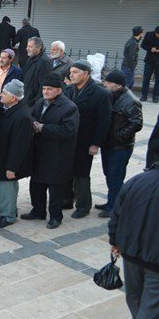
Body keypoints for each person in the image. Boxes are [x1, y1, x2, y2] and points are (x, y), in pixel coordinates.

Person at [109, 151, 159, 319]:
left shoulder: (137, 180)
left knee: (137, 301)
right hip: (157, 261)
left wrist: (115, 242)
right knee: (151, 311)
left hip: (131, 254)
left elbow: (117, 215)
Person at [25, 73, 79, 229]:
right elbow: (32, 115)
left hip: (57, 154)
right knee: (36, 184)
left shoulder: (69, 108)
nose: (45, 92)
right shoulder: (41, 102)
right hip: (39, 151)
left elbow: (69, 130)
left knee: (55, 188)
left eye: (49, 89)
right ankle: (38, 210)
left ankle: (55, 216)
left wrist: (44, 128)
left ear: (58, 90)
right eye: (44, 88)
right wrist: (34, 122)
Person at [64, 60, 111, 219]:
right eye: (71, 72)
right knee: (67, 170)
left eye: (75, 72)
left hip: (85, 140)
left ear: (86, 73)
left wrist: (96, 143)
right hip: (69, 138)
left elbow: (104, 121)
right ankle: (67, 199)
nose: (72, 75)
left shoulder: (101, 93)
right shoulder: (69, 89)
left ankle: (83, 206)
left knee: (81, 174)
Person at [0, 80, 34, 228]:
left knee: (7, 187)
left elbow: (20, 146)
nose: (0, 95)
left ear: (13, 98)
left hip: (8, 161)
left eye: (4, 93)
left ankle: (9, 215)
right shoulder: (6, 108)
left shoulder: (22, 116)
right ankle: (5, 209)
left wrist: (12, 167)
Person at [96, 70, 143, 219]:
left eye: (108, 83)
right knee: (109, 174)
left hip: (120, 147)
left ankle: (114, 207)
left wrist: (119, 136)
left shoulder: (131, 101)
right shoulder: (111, 96)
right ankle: (112, 200)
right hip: (108, 144)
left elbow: (136, 123)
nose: (105, 84)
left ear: (118, 85)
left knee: (115, 176)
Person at [22, 37, 53, 107]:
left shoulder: (44, 62)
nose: (27, 48)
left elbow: (44, 85)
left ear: (38, 48)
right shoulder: (31, 59)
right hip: (26, 100)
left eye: (30, 46)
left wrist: (36, 102)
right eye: (27, 46)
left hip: (34, 104)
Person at [140, 25, 159, 103]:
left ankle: (155, 96)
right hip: (149, 61)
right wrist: (150, 49)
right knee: (146, 79)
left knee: (158, 80)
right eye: (158, 35)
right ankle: (144, 95)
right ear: (155, 32)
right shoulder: (149, 35)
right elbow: (143, 45)